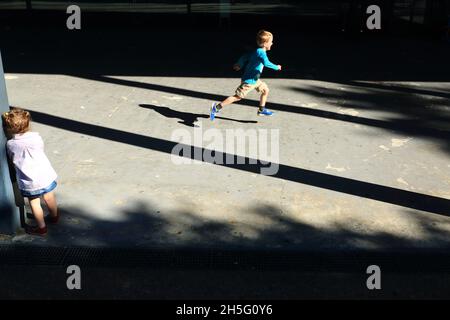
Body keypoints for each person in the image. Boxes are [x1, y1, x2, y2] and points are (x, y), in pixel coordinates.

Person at [2, 107, 59, 236]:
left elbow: (12, 159)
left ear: (9, 128)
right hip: (45, 175)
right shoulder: (36, 138)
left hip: (29, 180)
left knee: (34, 203)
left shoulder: (11, 144)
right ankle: (54, 217)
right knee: (49, 197)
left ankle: (42, 228)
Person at [210, 30, 282, 121]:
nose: (272, 43)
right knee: (237, 97)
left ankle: (261, 110)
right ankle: (216, 107)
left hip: (255, 79)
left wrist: (239, 63)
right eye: (270, 41)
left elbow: (245, 56)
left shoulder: (257, 51)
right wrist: (277, 67)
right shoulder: (261, 53)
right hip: (249, 81)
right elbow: (266, 63)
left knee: (265, 90)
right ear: (265, 43)